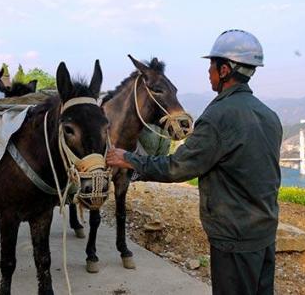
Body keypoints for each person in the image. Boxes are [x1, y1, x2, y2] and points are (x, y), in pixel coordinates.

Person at [106, 29, 282, 295]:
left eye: (211, 66)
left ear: (225, 70)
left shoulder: (218, 116)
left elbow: (177, 167)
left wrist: (128, 159)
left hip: (233, 238)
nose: (208, 72)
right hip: (265, 233)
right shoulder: (269, 116)